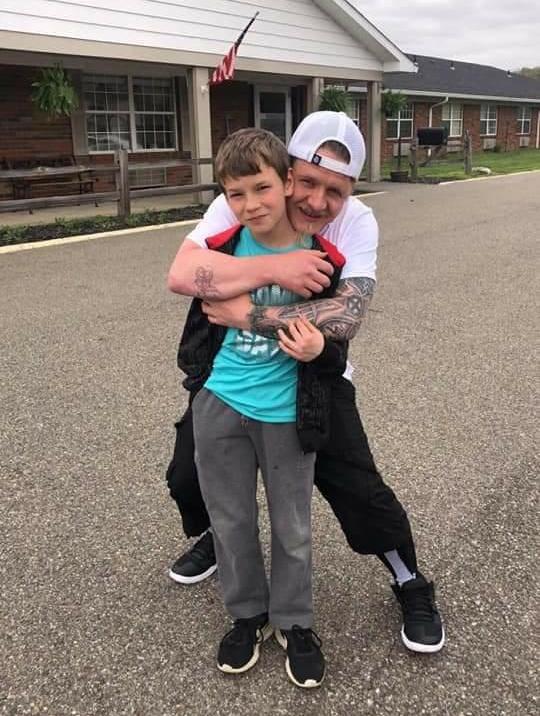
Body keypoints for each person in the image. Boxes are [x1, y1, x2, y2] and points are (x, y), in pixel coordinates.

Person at [167, 111, 445, 654]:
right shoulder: (248, 194)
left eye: (335, 191)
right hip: (233, 375)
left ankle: (408, 578)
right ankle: (220, 540)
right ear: (288, 172)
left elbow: (347, 316)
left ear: (352, 190)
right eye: (309, 183)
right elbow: (181, 274)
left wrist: (250, 315)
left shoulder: (357, 223)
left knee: (358, 488)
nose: (318, 201)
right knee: (187, 475)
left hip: (316, 371)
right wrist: (278, 270)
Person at [177, 127, 348, 687]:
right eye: (235, 193)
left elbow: (336, 341)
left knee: (292, 525)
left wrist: (320, 348)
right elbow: (185, 284)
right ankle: (247, 614)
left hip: (285, 411)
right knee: (230, 520)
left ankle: (295, 621)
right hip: (220, 402)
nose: (250, 204)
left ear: (287, 181)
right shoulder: (221, 248)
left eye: (261, 188)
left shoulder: (322, 259)